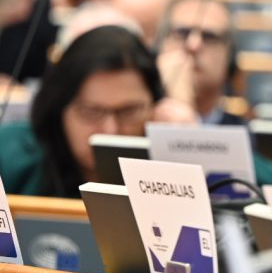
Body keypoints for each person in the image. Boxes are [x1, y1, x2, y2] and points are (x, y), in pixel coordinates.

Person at [0, 25, 166, 196]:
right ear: (59, 108)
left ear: (155, 107)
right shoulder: (9, 154)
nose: (111, 130)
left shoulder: (171, 153)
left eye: (129, 111)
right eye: (91, 112)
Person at [156, 0, 243, 126]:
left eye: (209, 37)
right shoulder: (133, 123)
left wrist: (183, 109)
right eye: (182, 33)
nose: (193, 45)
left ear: (230, 56)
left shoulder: (244, 135)